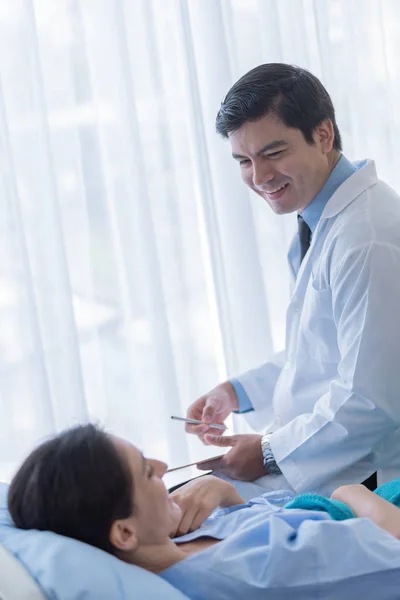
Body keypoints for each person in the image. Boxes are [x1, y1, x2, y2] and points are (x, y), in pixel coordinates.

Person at [186, 62, 400, 496]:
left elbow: (371, 401)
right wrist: (234, 392)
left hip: (361, 479)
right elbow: (321, 350)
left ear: (323, 135)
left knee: (193, 512)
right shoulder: (321, 218)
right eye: (244, 161)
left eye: (273, 153)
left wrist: (268, 451)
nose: (260, 177)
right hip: (322, 459)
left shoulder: (367, 238)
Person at [7, 425, 400, 599]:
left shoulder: (179, 539)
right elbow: (391, 548)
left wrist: (228, 496)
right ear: (124, 534)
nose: (162, 466)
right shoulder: (252, 574)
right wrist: (350, 492)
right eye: (147, 473)